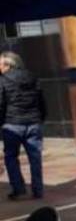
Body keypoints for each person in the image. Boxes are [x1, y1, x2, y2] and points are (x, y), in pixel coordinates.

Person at [0, 51, 46, 200]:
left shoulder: (3, 80)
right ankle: (38, 190)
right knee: (35, 157)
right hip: (33, 123)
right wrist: (41, 118)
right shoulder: (33, 77)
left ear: (8, 64)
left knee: (11, 157)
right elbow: (41, 100)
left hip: (12, 124)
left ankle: (18, 188)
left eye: (0, 64)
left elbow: (1, 104)